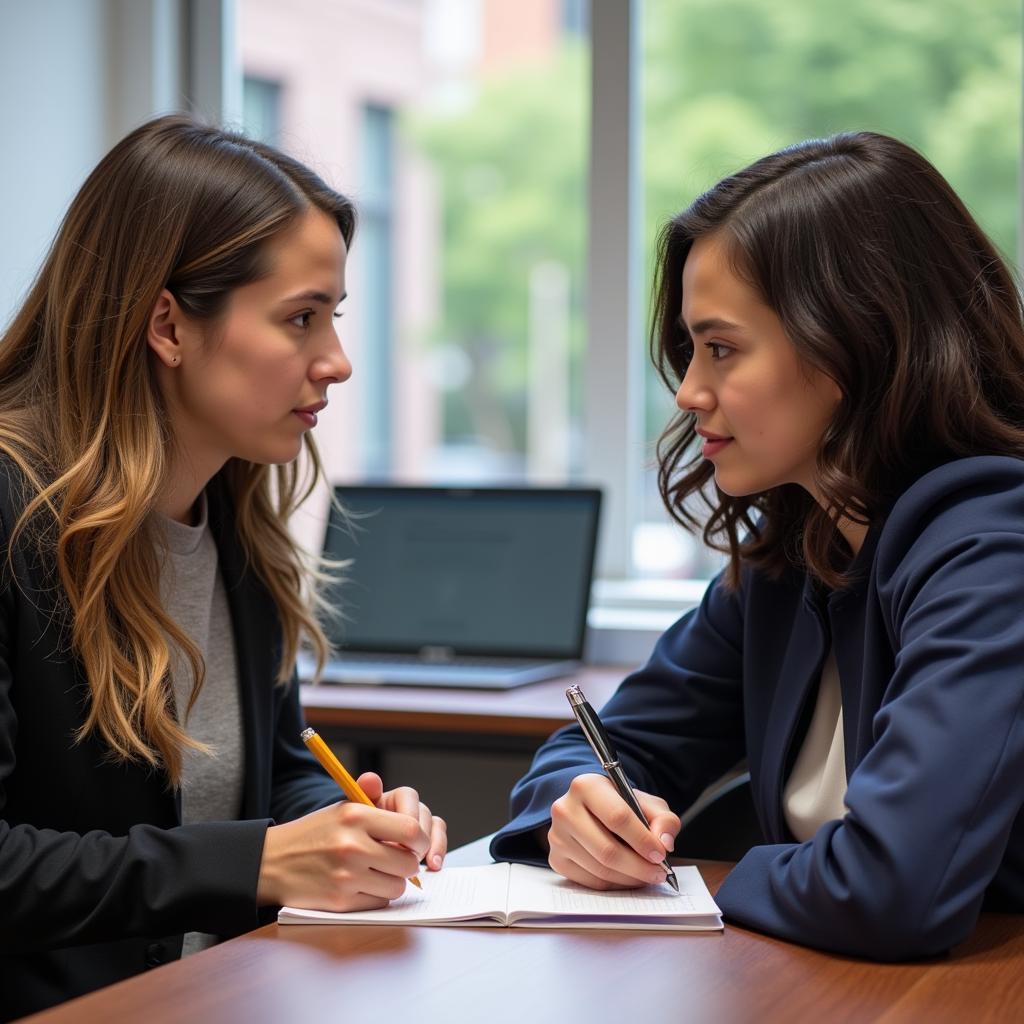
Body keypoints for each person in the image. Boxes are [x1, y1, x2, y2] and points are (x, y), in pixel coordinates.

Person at [491, 131, 1024, 960]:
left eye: (723, 348)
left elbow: (892, 892)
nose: (692, 392)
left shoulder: (993, 545)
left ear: (856, 340)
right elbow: (601, 745)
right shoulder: (798, 552)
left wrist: (704, 879)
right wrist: (581, 808)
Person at [0, 114, 447, 1020]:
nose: (339, 361)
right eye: (300, 319)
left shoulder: (234, 514)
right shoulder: (12, 516)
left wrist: (340, 821)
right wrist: (259, 861)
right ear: (167, 324)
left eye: (334, 316)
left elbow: (271, 769)